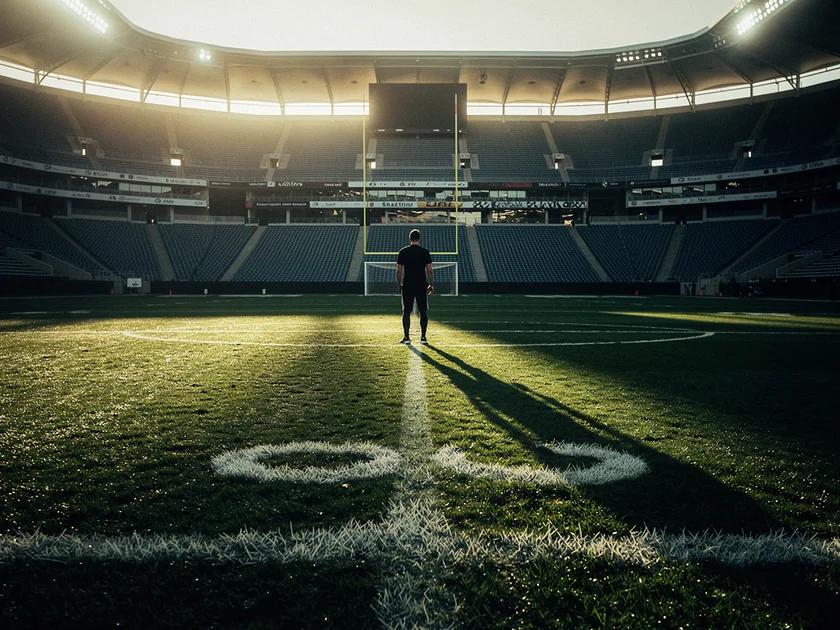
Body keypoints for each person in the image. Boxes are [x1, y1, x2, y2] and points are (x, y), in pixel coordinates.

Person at [396, 229, 433, 344]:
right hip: (421, 284)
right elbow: (429, 270)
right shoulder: (425, 252)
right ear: (419, 238)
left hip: (408, 284)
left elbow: (398, 271)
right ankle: (423, 337)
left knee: (406, 311)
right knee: (423, 311)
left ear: (410, 238)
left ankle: (406, 337)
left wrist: (399, 284)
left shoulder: (403, 251)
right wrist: (431, 284)